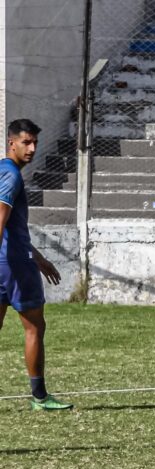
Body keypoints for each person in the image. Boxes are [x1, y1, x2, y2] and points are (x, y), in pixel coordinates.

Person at [0, 119, 71, 410]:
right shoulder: (12, 176)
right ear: (11, 143)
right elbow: (1, 220)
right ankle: (40, 397)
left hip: (9, 260)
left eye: (35, 143)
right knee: (34, 329)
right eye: (26, 142)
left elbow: (11, 226)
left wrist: (38, 257)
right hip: (14, 265)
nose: (31, 148)